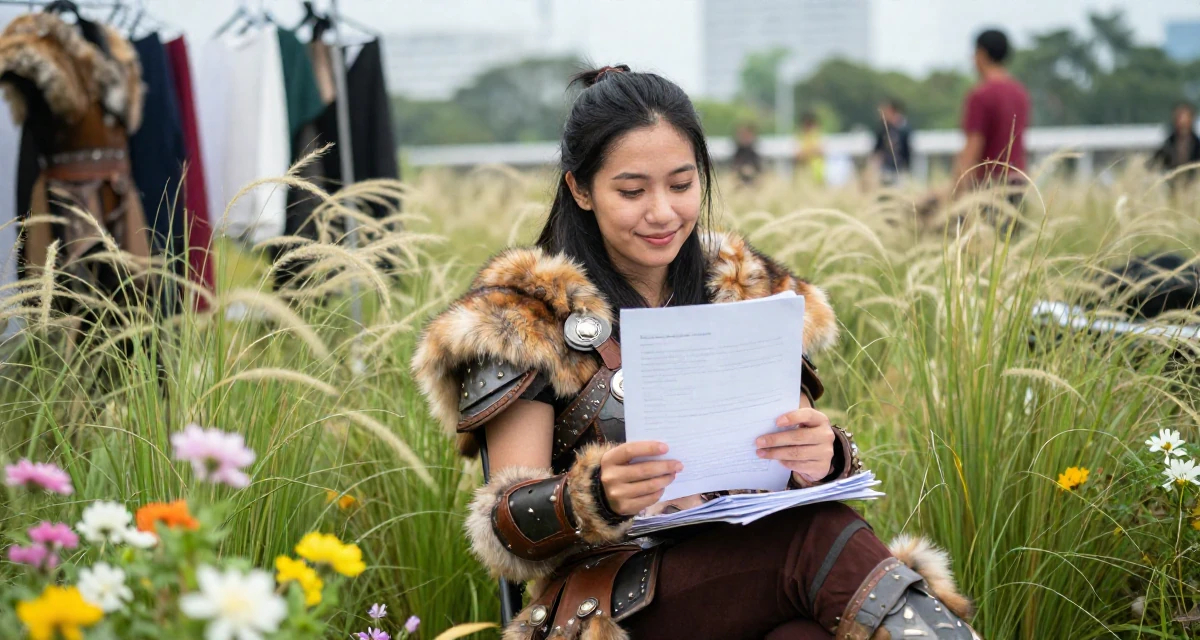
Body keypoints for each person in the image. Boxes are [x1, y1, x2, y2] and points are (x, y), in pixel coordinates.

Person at [413, 65, 981, 639]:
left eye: (682, 185)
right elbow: (504, 525)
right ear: (579, 189)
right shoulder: (525, 314)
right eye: (632, 191)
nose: (662, 212)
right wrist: (595, 494)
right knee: (817, 537)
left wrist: (823, 454)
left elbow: (797, 458)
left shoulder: (742, 288)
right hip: (608, 605)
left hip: (752, 567)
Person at [953, 29, 1030, 190]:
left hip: (989, 186)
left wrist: (954, 191)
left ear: (981, 54)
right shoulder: (1020, 93)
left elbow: (973, 147)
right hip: (1017, 183)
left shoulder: (980, 95)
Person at [1151, 101, 1200, 191]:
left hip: (1193, 189)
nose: (1182, 121)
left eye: (1185, 117)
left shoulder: (1197, 144)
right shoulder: (1168, 144)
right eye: (1179, 117)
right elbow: (1153, 165)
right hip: (1172, 189)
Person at [872, 99, 912, 186]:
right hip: (885, 169)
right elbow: (877, 149)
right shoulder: (883, 128)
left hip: (900, 168)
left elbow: (908, 150)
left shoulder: (904, 128)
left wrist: (907, 167)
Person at [795, 111, 826, 185]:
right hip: (804, 171)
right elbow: (797, 154)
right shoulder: (800, 136)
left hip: (817, 172)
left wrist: (807, 152)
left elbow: (821, 150)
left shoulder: (817, 135)